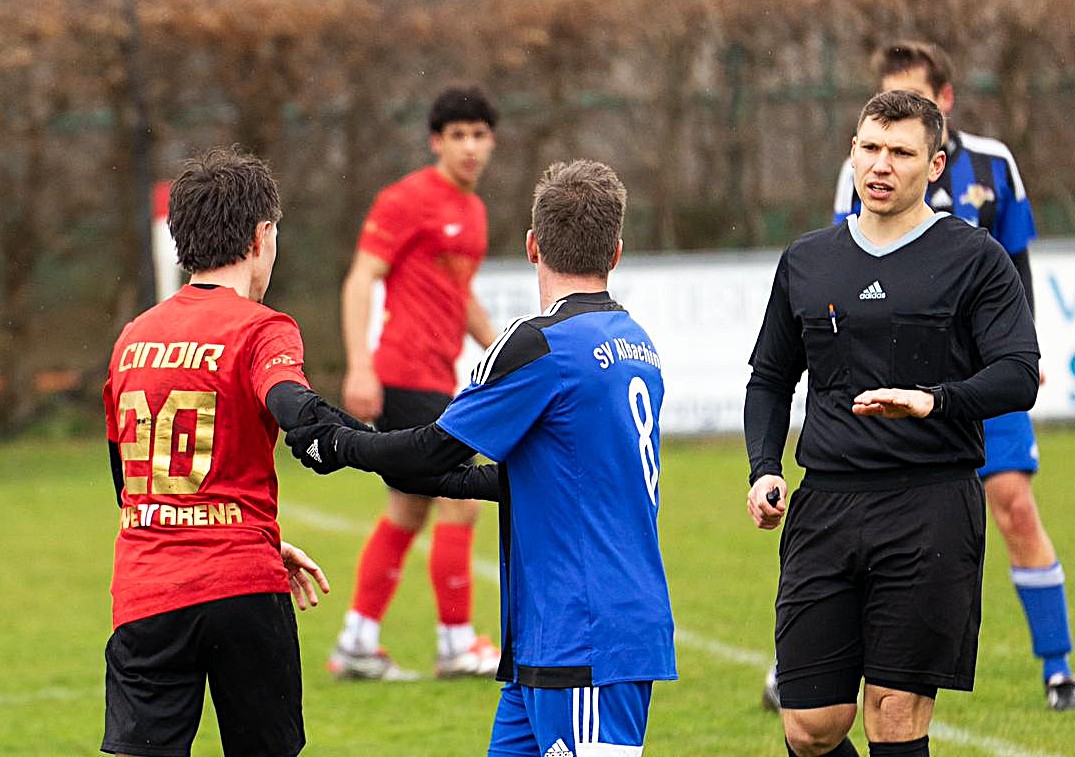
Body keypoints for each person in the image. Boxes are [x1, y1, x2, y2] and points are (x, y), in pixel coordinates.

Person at [286, 160, 678, 755]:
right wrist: (352, 437)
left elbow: (433, 451)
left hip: (584, 637)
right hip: (552, 640)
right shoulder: (636, 344)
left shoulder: (539, 345)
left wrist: (340, 443)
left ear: (532, 246)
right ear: (617, 253)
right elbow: (538, 480)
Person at [745, 91, 1039, 756]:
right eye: (870, 148)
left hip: (928, 507)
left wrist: (936, 400)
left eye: (901, 152)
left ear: (934, 166)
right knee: (810, 728)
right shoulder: (806, 260)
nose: (881, 165)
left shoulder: (975, 258)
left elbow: (1019, 373)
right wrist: (764, 468)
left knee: (894, 713)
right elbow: (768, 377)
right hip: (825, 506)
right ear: (852, 152)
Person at [817, 39, 1074, 713]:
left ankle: (1057, 667)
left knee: (1014, 505)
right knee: (858, 519)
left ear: (946, 100)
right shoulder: (860, 171)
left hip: (980, 381)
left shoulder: (993, 163)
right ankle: (809, 663)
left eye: (916, 98)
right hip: (893, 390)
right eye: (888, 99)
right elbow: (843, 270)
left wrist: (1021, 353)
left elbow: (1015, 263)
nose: (890, 139)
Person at [102, 146, 347, 756]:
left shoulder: (132, 339)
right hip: (242, 584)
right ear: (262, 236)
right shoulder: (262, 327)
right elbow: (291, 404)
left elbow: (129, 484)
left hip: (148, 590)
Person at [333, 85, 502, 681]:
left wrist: (506, 352)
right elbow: (360, 280)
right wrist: (359, 365)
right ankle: (456, 645)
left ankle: (357, 642)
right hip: (405, 375)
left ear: (492, 141)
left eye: (479, 134)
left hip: (437, 378)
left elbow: (460, 297)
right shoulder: (406, 199)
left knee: (407, 511)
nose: (470, 147)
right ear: (436, 142)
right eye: (458, 135)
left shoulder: (474, 212)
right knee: (461, 501)